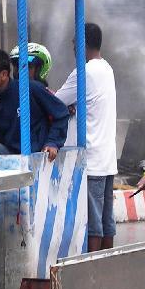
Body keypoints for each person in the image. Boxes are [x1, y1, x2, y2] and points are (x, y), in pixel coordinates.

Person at [55, 23, 117, 252]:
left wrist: (63, 104)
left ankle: (93, 272)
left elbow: (56, 102)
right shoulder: (107, 68)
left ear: (81, 44)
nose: (72, 47)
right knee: (106, 220)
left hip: (91, 159)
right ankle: (108, 264)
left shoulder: (83, 72)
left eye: (73, 43)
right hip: (107, 158)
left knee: (93, 223)